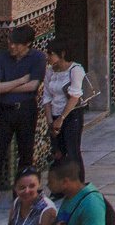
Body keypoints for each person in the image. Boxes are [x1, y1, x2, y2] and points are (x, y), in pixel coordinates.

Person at [0, 26, 45, 216]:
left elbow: (33, 85)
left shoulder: (37, 58)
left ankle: (23, 198)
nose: (12, 46)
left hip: (26, 110)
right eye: (11, 42)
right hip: (4, 112)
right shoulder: (2, 59)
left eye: (16, 44)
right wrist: (19, 81)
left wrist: (7, 86)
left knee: (26, 154)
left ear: (27, 45)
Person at [39, 44, 86, 172]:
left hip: (71, 115)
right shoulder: (50, 72)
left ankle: (78, 186)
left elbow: (74, 97)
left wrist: (61, 119)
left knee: (72, 152)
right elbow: (47, 97)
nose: (48, 57)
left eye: (51, 54)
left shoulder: (75, 70)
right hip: (54, 115)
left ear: (62, 54)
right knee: (58, 154)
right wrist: (50, 122)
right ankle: (59, 189)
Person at [42, 161, 101, 225]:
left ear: (65, 182)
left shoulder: (91, 203)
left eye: (51, 182)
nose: (48, 185)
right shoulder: (69, 196)